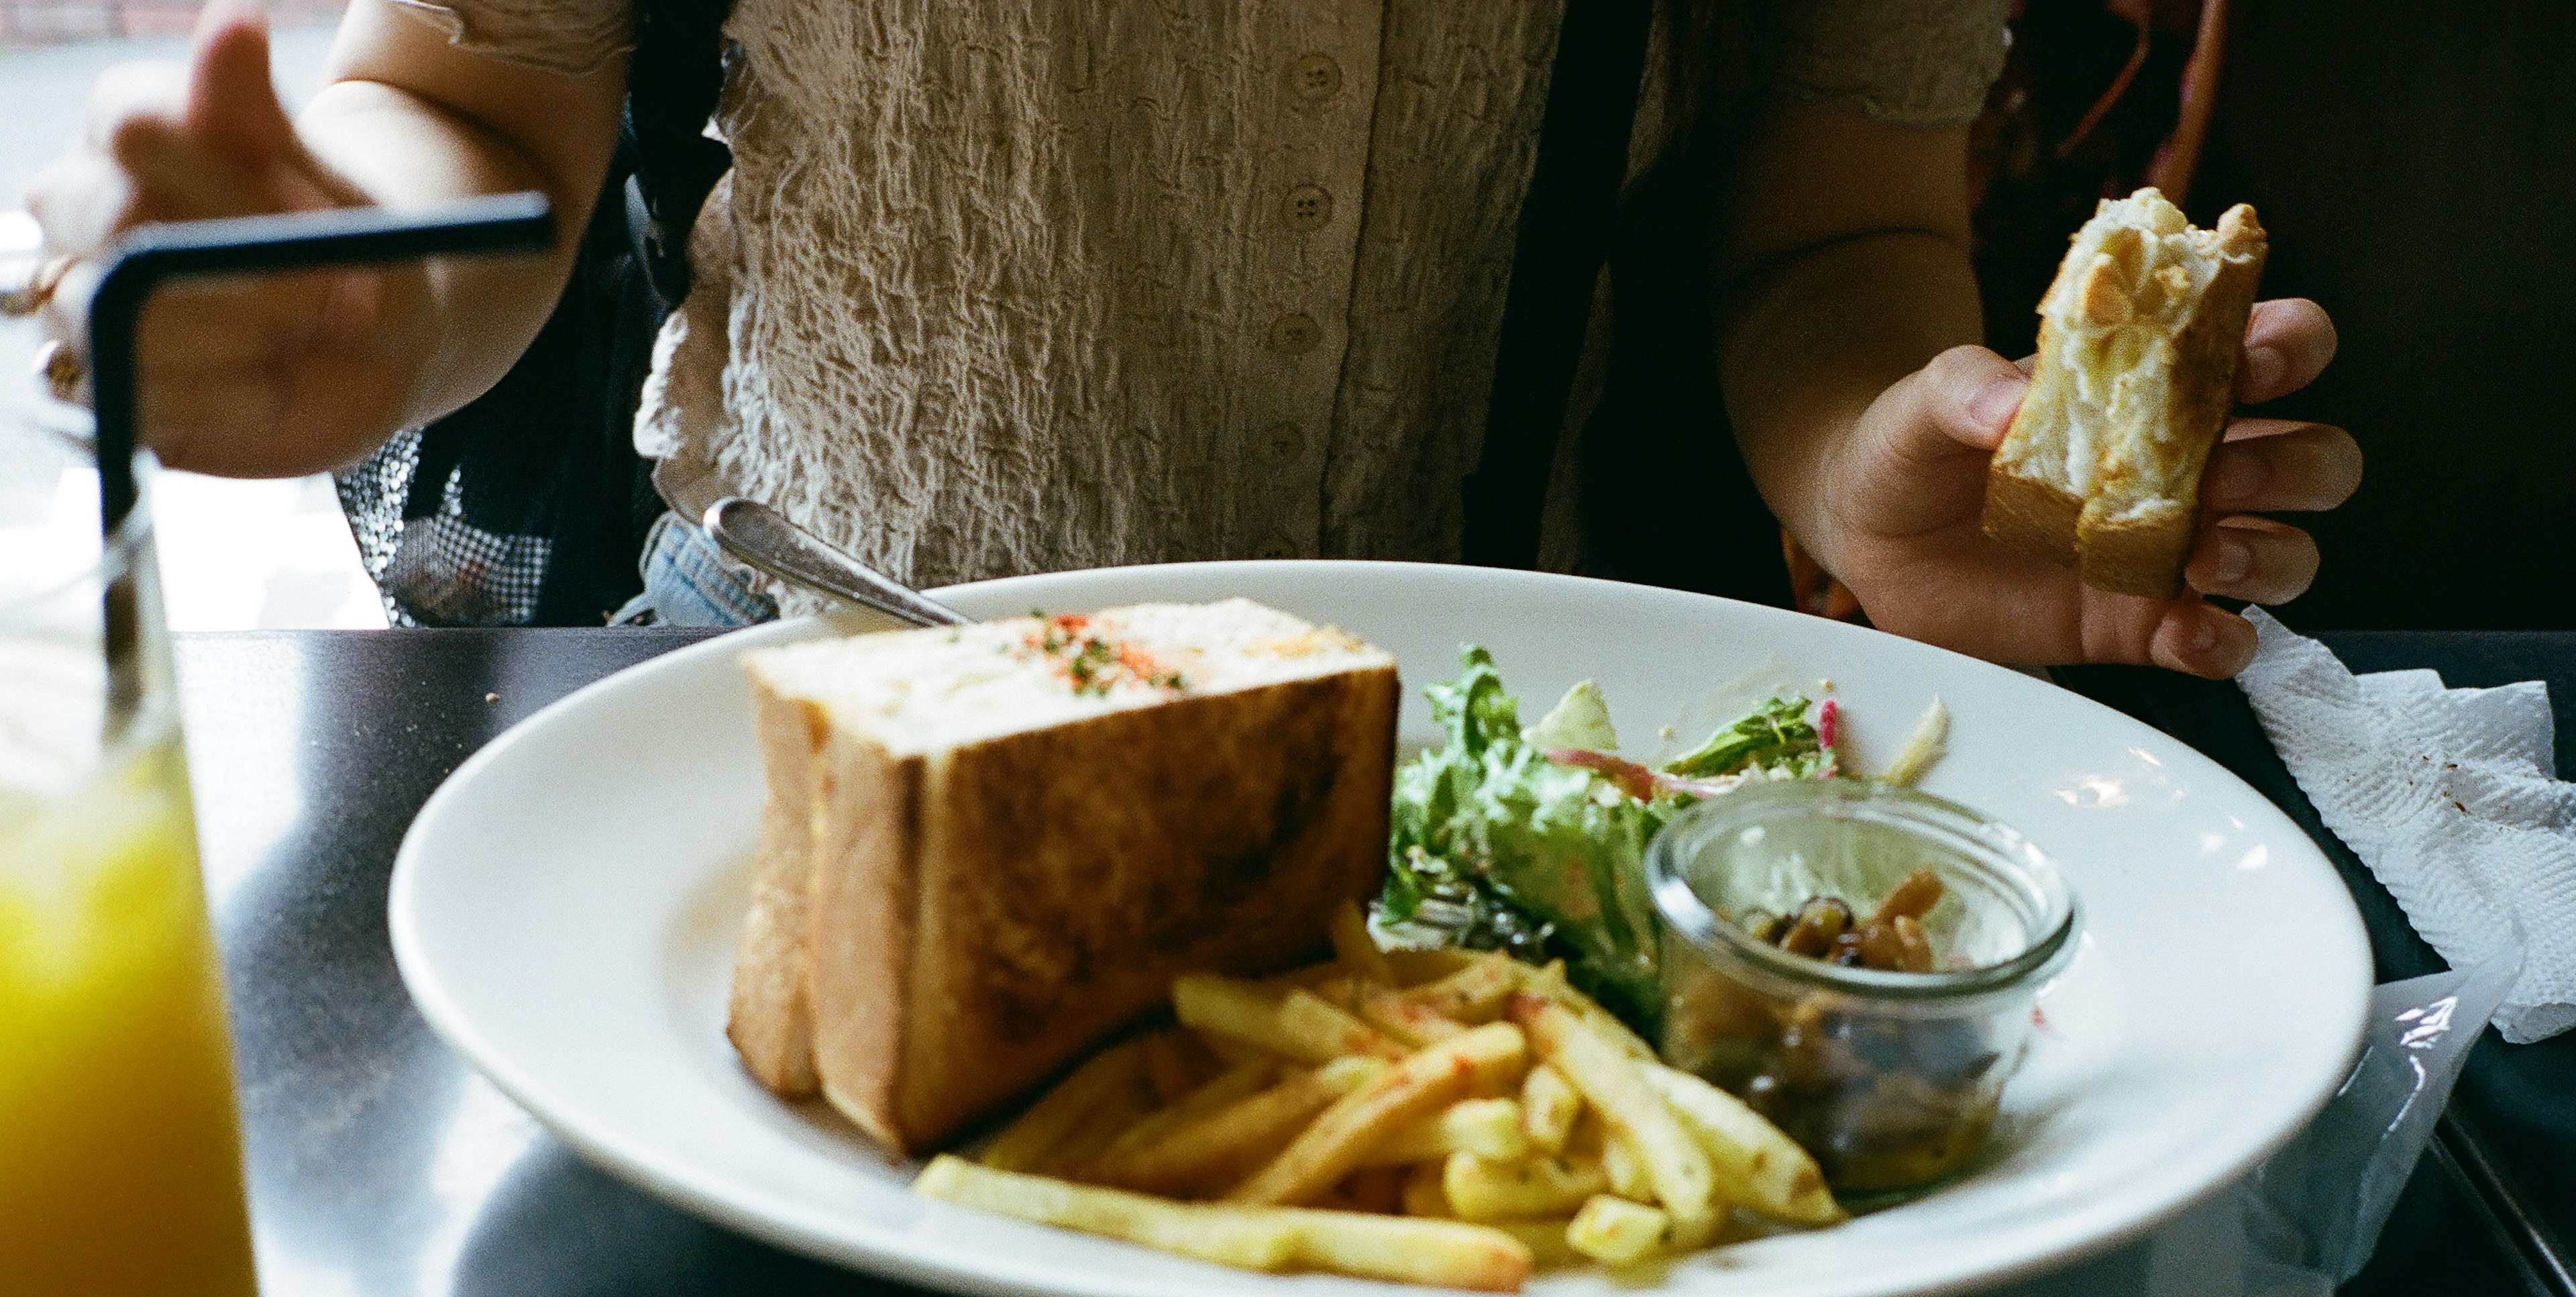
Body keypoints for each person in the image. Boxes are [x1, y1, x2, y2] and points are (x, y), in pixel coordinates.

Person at [24, 0, 2357, 676]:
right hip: (782, 699)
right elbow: (466, 95)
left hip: (1468, 765)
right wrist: (354, 286)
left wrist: (1868, 450)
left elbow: (1826, 221)